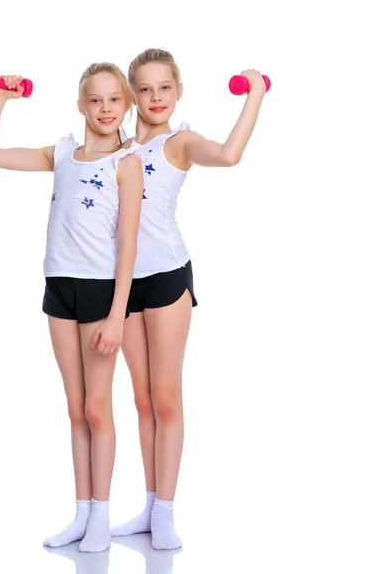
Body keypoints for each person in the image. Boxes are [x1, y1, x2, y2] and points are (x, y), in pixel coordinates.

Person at [0, 63, 144, 553]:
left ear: (126, 106)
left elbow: (128, 245)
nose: (106, 108)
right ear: (81, 105)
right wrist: (0, 101)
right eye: (96, 100)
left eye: (115, 99)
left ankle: (103, 515)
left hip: (99, 291)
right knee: (75, 408)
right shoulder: (64, 153)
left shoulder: (126, 163)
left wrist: (117, 315)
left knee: (97, 407)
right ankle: (81, 511)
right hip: (59, 287)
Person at [111, 49, 267, 550]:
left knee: (166, 397)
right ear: (133, 94)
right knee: (140, 400)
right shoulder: (115, 145)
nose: (155, 98)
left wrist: (255, 93)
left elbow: (228, 155)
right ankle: (150, 503)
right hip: (120, 284)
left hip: (165, 278)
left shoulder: (181, 143)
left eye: (165, 88)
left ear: (177, 92)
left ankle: (167, 513)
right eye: (145, 89)